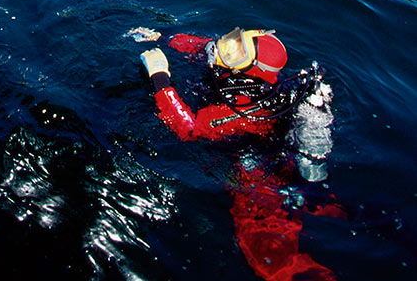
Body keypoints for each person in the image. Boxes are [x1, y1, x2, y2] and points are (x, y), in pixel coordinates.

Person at [133, 24, 343, 281]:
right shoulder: (241, 72)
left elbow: (187, 128)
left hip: (258, 169)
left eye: (236, 52)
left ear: (252, 70)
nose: (225, 49)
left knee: (266, 250)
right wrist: (163, 37)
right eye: (234, 43)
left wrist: (160, 77)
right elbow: (203, 48)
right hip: (261, 147)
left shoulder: (241, 111)